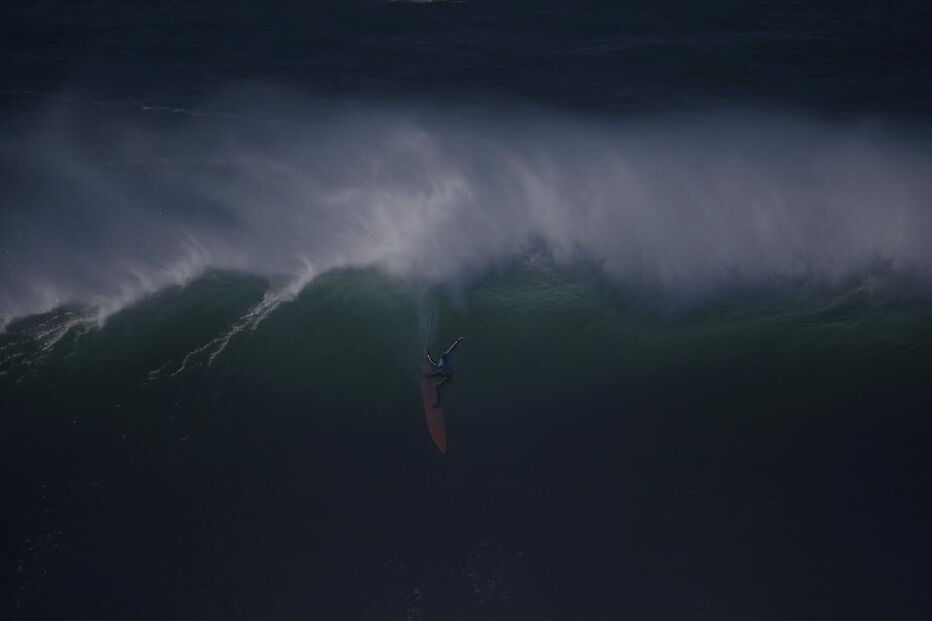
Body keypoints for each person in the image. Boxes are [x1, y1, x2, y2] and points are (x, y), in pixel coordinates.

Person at [425, 337, 464, 407]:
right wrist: (458, 340)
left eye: (442, 358)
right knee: (431, 375)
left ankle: (438, 403)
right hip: (444, 372)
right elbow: (453, 348)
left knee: (437, 387)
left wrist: (428, 355)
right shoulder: (448, 354)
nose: (442, 357)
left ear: (444, 359)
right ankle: (426, 377)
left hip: (448, 377)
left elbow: (433, 363)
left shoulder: (442, 365)